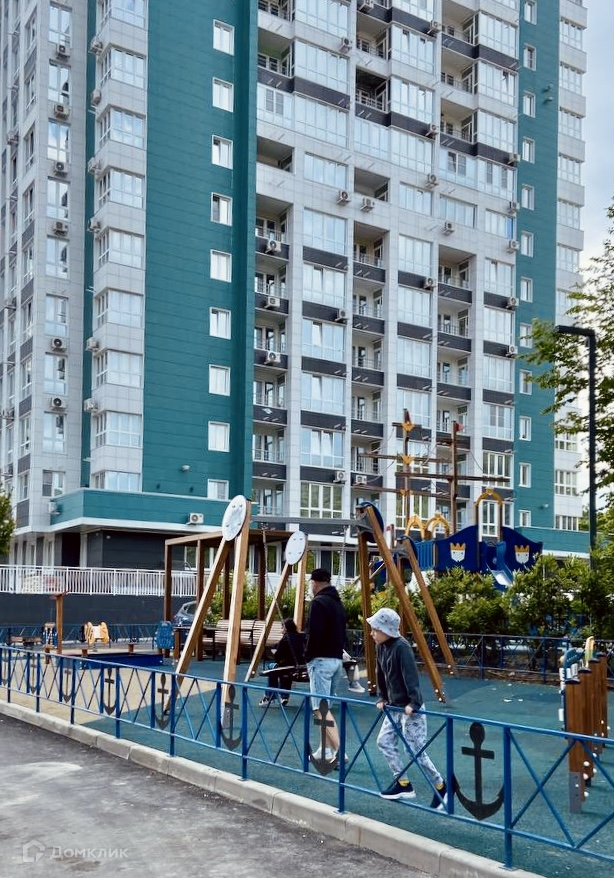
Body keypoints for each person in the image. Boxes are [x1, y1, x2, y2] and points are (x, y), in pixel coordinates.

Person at [367, 607, 447, 808]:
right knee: (384, 741)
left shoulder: (401, 647)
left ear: (386, 630)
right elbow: (380, 673)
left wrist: (414, 703)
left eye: (375, 629)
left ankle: (441, 785)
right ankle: (403, 783)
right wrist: (382, 697)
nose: (371, 633)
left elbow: (410, 676)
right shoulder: (381, 646)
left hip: (410, 708)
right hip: (394, 706)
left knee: (414, 751)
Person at [304, 568, 347, 762]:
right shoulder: (337, 603)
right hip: (336, 659)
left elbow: (314, 633)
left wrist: (307, 655)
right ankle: (325, 749)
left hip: (320, 660)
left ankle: (339, 751)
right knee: (326, 706)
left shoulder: (318, 603)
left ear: (314, 583)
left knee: (320, 708)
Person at [259, 618, 305, 707]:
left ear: (286, 628)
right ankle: (284, 696)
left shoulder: (285, 639)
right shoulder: (301, 637)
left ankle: (270, 695)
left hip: (289, 667)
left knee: (273, 667)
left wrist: (276, 656)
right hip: (300, 667)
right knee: (285, 669)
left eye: (282, 627)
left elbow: (278, 655)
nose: (281, 629)